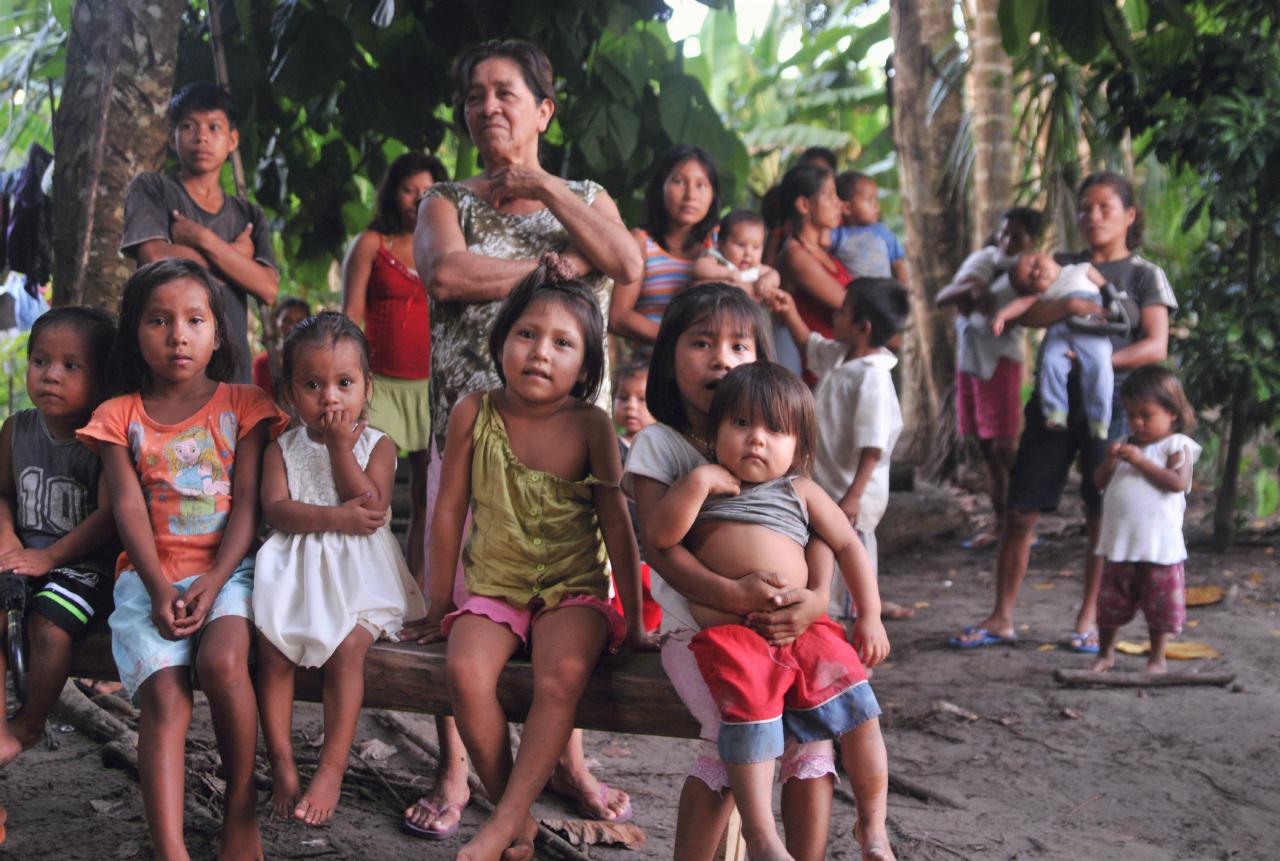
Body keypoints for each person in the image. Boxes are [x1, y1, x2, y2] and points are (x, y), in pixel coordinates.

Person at [406, 38, 643, 837]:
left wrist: (545, 190)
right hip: (472, 438)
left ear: (543, 109)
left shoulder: (585, 191)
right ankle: (454, 767)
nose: (488, 106)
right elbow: (448, 277)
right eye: (474, 95)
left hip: (573, 445)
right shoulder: (445, 198)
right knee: (467, 608)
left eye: (505, 92)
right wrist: (556, 268)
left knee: (563, 603)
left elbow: (625, 263)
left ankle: (568, 763)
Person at [417, 260, 645, 860]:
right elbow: (447, 513)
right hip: (495, 587)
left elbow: (617, 526)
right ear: (500, 344)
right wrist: (440, 602)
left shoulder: (593, 425)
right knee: (464, 673)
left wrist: (639, 619)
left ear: (585, 368)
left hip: (576, 591)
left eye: (562, 343)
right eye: (526, 334)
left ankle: (501, 824)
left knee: (560, 675)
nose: (540, 352)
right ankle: (512, 817)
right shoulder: (473, 412)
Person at [76, 258, 287, 859]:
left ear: (218, 333)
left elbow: (247, 507)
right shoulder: (119, 417)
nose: (178, 335)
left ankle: (240, 810)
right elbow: (128, 511)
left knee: (224, 663)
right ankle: (171, 849)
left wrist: (215, 578)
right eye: (159, 321)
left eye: (194, 320)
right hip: (148, 578)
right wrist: (159, 585)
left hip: (230, 570)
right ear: (135, 333)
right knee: (164, 697)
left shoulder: (245, 404)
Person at [622, 283, 839, 861]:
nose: (722, 358)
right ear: (670, 357)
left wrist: (817, 599)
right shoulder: (661, 445)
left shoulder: (770, 441)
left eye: (740, 346)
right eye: (702, 343)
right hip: (699, 635)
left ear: (762, 361)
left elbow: (817, 529)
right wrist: (732, 593)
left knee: (812, 736)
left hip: (781, 629)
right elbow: (659, 548)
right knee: (729, 737)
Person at [650, 362, 894, 861]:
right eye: (740, 424)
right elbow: (659, 538)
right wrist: (697, 482)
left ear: (800, 448)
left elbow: (848, 544)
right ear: (714, 431)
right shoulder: (706, 487)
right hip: (733, 638)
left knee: (860, 709)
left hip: (805, 631)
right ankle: (762, 837)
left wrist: (869, 614)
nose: (755, 440)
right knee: (748, 720)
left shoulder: (801, 490)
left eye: (774, 430)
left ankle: (872, 826)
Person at [950, 172, 1177, 652]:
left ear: (1129, 216)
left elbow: (1155, 345)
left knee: (1101, 514)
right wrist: (1068, 304)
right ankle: (1002, 616)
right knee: (1021, 508)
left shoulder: (1143, 275)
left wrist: (1097, 361)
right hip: (1052, 402)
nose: (1091, 217)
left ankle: (1088, 621)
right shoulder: (1059, 264)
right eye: (1084, 208)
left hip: (1115, 407)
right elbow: (1027, 313)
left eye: (1104, 209)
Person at [253, 312, 427, 825]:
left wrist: (339, 447)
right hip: (294, 570)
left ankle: (331, 767)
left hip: (361, 576)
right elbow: (275, 509)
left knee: (350, 650)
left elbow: (369, 506)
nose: (330, 397)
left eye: (344, 383)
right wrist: (332, 518)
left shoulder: (379, 445)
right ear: (289, 392)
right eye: (313, 385)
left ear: (367, 387)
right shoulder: (280, 448)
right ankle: (283, 761)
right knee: (271, 650)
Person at [0, 307, 117, 766]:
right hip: (26, 559)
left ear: (102, 378)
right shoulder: (16, 430)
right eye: (41, 361)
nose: (51, 375)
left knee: (48, 624)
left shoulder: (103, 439)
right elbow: (3, 495)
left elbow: (110, 518)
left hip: (86, 568)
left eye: (71, 366)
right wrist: (9, 541)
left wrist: (49, 556)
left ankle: (29, 723)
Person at [770, 278, 914, 621]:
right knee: (827, 564)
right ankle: (834, 628)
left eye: (844, 311)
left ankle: (862, 635)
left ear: (862, 327)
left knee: (853, 567)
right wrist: (789, 310)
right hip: (830, 489)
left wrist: (854, 495)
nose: (836, 314)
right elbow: (810, 345)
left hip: (852, 496)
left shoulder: (873, 378)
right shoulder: (844, 357)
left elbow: (872, 447)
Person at [120, 82, 279, 384]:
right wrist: (234, 259)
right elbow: (154, 259)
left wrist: (199, 239)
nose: (201, 136)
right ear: (172, 137)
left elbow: (268, 289)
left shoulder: (248, 214)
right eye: (188, 126)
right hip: (165, 369)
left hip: (232, 372)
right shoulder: (153, 189)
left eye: (214, 127)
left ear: (232, 139)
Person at [343, 152, 449, 587]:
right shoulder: (372, 243)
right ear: (393, 192)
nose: (417, 199)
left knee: (428, 491)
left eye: (427, 191)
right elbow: (349, 315)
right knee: (373, 493)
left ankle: (416, 588)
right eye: (409, 189)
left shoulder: (445, 246)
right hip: (380, 386)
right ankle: (370, 583)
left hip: (432, 386)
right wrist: (353, 385)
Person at [935, 208, 1041, 549]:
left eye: (1017, 236)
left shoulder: (1031, 271)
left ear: (1031, 241)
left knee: (1005, 447)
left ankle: (1025, 524)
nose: (1008, 241)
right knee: (987, 449)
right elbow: (944, 297)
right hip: (971, 362)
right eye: (1004, 233)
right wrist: (972, 290)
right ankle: (1000, 524)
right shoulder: (982, 261)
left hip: (1001, 363)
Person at [1089, 366, 1199, 675]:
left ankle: (1157, 658)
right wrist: (1111, 460)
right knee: (1110, 604)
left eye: (1146, 415)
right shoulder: (1126, 444)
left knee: (1160, 607)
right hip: (1121, 543)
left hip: (1159, 546)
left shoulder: (1177, 446)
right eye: (1131, 415)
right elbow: (1099, 481)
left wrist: (1140, 461)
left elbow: (1178, 483)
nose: (1137, 422)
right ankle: (1106, 653)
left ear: (1173, 413)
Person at [994, 251, 1126, 439]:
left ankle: (1100, 420)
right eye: (1031, 280)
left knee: (1099, 363)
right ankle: (1056, 412)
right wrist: (1002, 315)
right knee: (1050, 361)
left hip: (1089, 323)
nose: (1036, 273)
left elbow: (1106, 286)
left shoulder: (1079, 269)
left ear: (1046, 254)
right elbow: (1022, 305)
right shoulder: (1045, 294)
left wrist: (1111, 305)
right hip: (1061, 330)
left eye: (1033, 263)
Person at [609, 145, 721, 359]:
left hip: (708, 370)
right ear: (661, 186)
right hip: (648, 373)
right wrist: (679, 341)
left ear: (713, 194)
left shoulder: (720, 243)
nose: (690, 195)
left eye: (701, 185)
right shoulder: (641, 243)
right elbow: (618, 317)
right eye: (678, 182)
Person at [774, 163, 851, 378]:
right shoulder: (795, 256)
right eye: (829, 196)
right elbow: (849, 304)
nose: (839, 203)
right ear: (804, 205)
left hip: (836, 367)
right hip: (816, 373)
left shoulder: (822, 253)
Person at [692, 210, 793, 372]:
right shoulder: (717, 259)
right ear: (722, 244)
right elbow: (698, 268)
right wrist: (727, 274)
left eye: (756, 247)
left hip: (751, 329)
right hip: (717, 324)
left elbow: (774, 275)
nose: (748, 253)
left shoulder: (758, 270)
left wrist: (766, 281)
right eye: (740, 245)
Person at [610, 361, 661, 633]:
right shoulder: (611, 449)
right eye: (623, 398)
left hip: (650, 554)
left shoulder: (660, 451)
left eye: (642, 400)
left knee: (652, 609)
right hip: (619, 552)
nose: (631, 406)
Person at [830, 171, 906, 285]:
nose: (876, 206)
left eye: (876, 199)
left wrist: (905, 290)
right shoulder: (838, 235)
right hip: (857, 297)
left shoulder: (882, 231)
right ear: (846, 208)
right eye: (870, 200)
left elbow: (899, 263)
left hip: (886, 293)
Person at [251, 297, 311, 401]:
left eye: (300, 321)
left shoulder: (315, 361)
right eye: (286, 320)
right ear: (275, 323)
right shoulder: (263, 363)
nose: (292, 327)